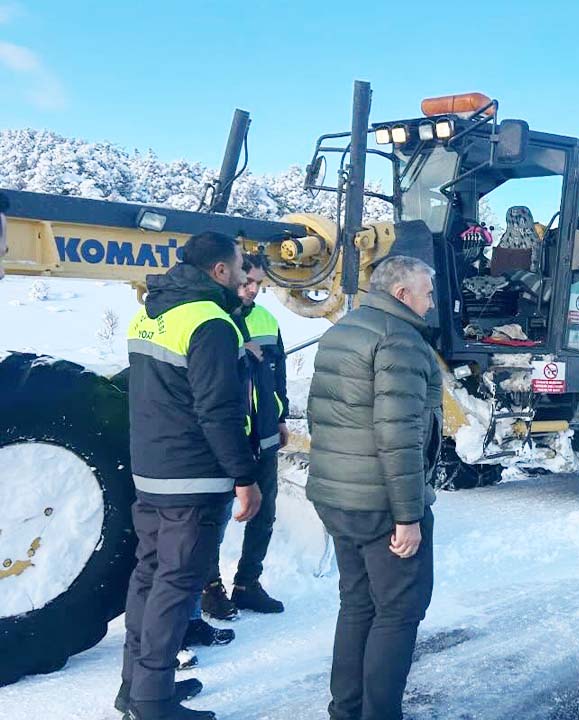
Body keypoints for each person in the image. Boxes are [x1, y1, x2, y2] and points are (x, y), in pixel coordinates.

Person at [121, 231, 262, 720]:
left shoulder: (151, 312)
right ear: (219, 271)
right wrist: (244, 477)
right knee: (175, 586)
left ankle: (133, 688)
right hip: (193, 477)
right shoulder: (211, 322)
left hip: (152, 472)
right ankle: (152, 701)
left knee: (147, 577)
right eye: (241, 265)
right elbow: (218, 411)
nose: (247, 274)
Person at [306, 255, 442, 720]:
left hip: (338, 495)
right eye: (427, 292)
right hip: (383, 502)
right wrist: (407, 516)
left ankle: (346, 711)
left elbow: (321, 414)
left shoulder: (343, 330)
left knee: (358, 604)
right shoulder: (400, 340)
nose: (431, 302)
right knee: (399, 612)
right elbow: (399, 434)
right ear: (401, 294)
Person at [200, 254, 290, 620]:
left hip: (265, 435)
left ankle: (248, 583)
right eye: (247, 281)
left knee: (264, 514)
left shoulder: (267, 320)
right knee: (216, 516)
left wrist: (281, 416)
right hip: (226, 438)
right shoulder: (217, 320)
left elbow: (277, 372)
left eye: (259, 283)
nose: (253, 289)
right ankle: (210, 589)